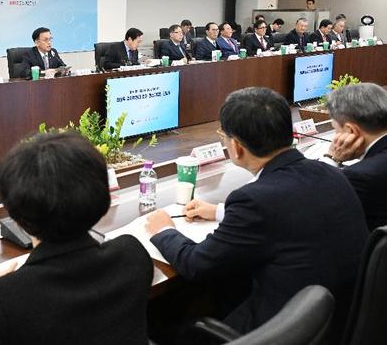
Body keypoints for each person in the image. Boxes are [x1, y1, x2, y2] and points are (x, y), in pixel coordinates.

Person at [145, 87, 368, 335]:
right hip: (336, 319)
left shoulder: (254, 200)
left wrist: (164, 230)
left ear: (236, 146)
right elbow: (287, 213)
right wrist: (219, 211)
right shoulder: (330, 172)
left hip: (281, 330)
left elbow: (196, 264)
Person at [0, 132, 153, 345]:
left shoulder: (1, 302)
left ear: (17, 218)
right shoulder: (132, 254)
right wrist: (11, 288)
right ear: (103, 199)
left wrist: (0, 293)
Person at [323, 83, 387, 230]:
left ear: (351, 131)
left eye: (335, 129)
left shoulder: (360, 176)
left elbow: (314, 204)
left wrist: (331, 158)